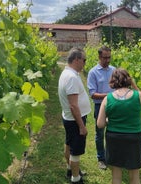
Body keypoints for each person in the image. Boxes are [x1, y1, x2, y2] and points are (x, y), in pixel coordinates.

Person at [97, 68, 141, 184]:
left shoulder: (107, 99)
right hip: (134, 138)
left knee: (116, 176)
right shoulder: (138, 96)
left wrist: (109, 120)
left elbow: (100, 124)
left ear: (113, 81)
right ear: (128, 80)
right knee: (134, 175)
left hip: (114, 138)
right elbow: (140, 95)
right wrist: (133, 83)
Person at [58, 47, 91, 184]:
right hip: (74, 120)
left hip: (69, 118)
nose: (85, 63)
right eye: (84, 60)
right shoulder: (71, 77)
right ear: (77, 59)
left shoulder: (68, 73)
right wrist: (82, 126)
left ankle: (70, 169)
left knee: (69, 144)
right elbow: (73, 105)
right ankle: (76, 179)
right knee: (75, 151)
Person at [87, 45, 116, 170]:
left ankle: (112, 156)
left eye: (109, 57)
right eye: (105, 58)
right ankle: (101, 158)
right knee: (100, 133)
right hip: (100, 107)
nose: (108, 60)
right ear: (99, 57)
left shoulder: (114, 70)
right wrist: (110, 95)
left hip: (114, 106)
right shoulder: (93, 72)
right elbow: (93, 94)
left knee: (114, 132)